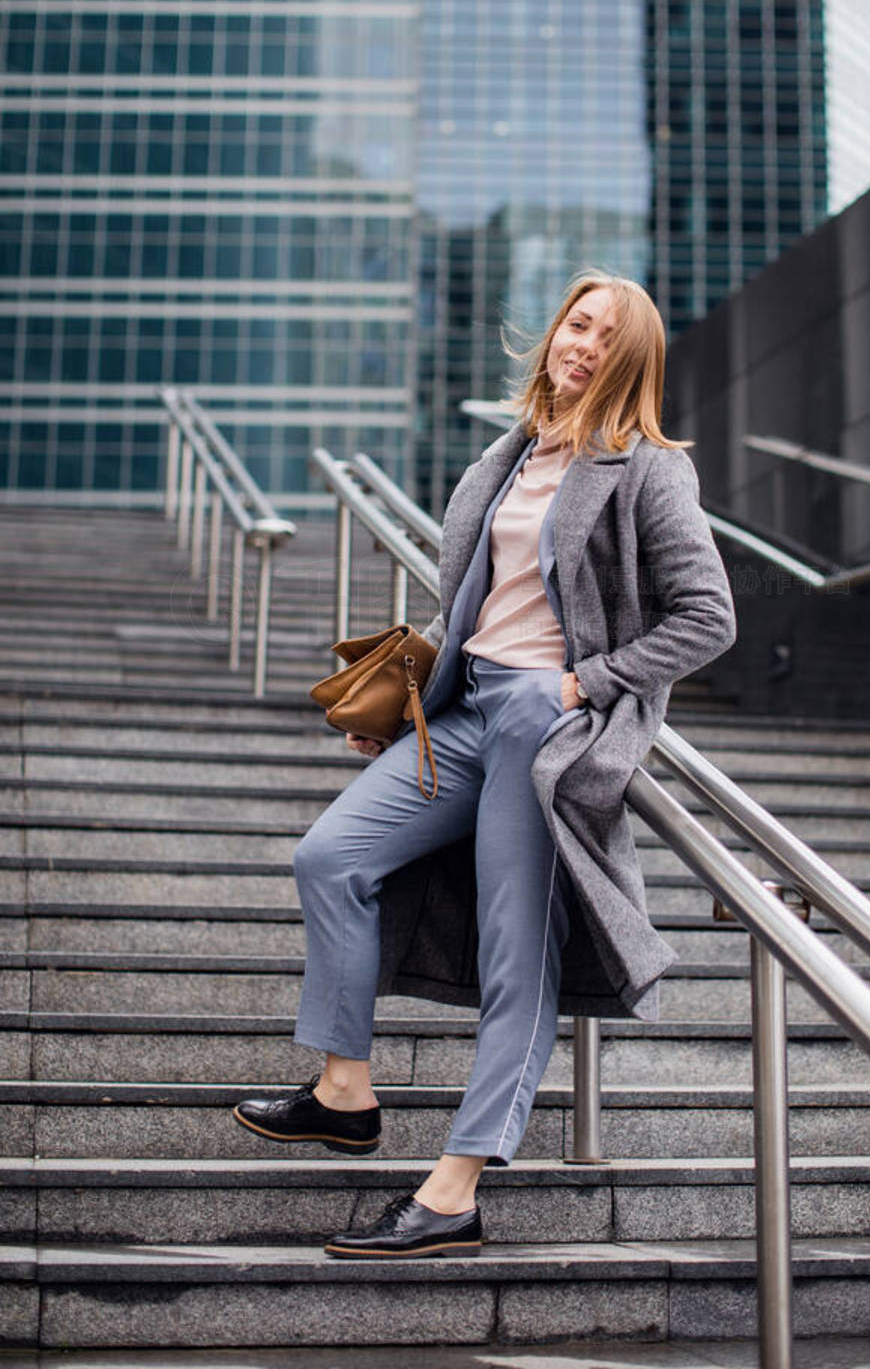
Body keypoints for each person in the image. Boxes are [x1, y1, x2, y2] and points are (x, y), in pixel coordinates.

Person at [232, 270, 736, 1258]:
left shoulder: (646, 468)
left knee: (518, 959)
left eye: (607, 340)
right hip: (464, 715)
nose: (583, 346)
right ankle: (343, 1091)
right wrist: (401, 703)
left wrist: (585, 686)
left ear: (631, 366)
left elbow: (708, 616)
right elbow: (469, 604)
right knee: (330, 856)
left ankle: (455, 1189)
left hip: (544, 730)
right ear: (555, 331)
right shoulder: (507, 457)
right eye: (577, 324)